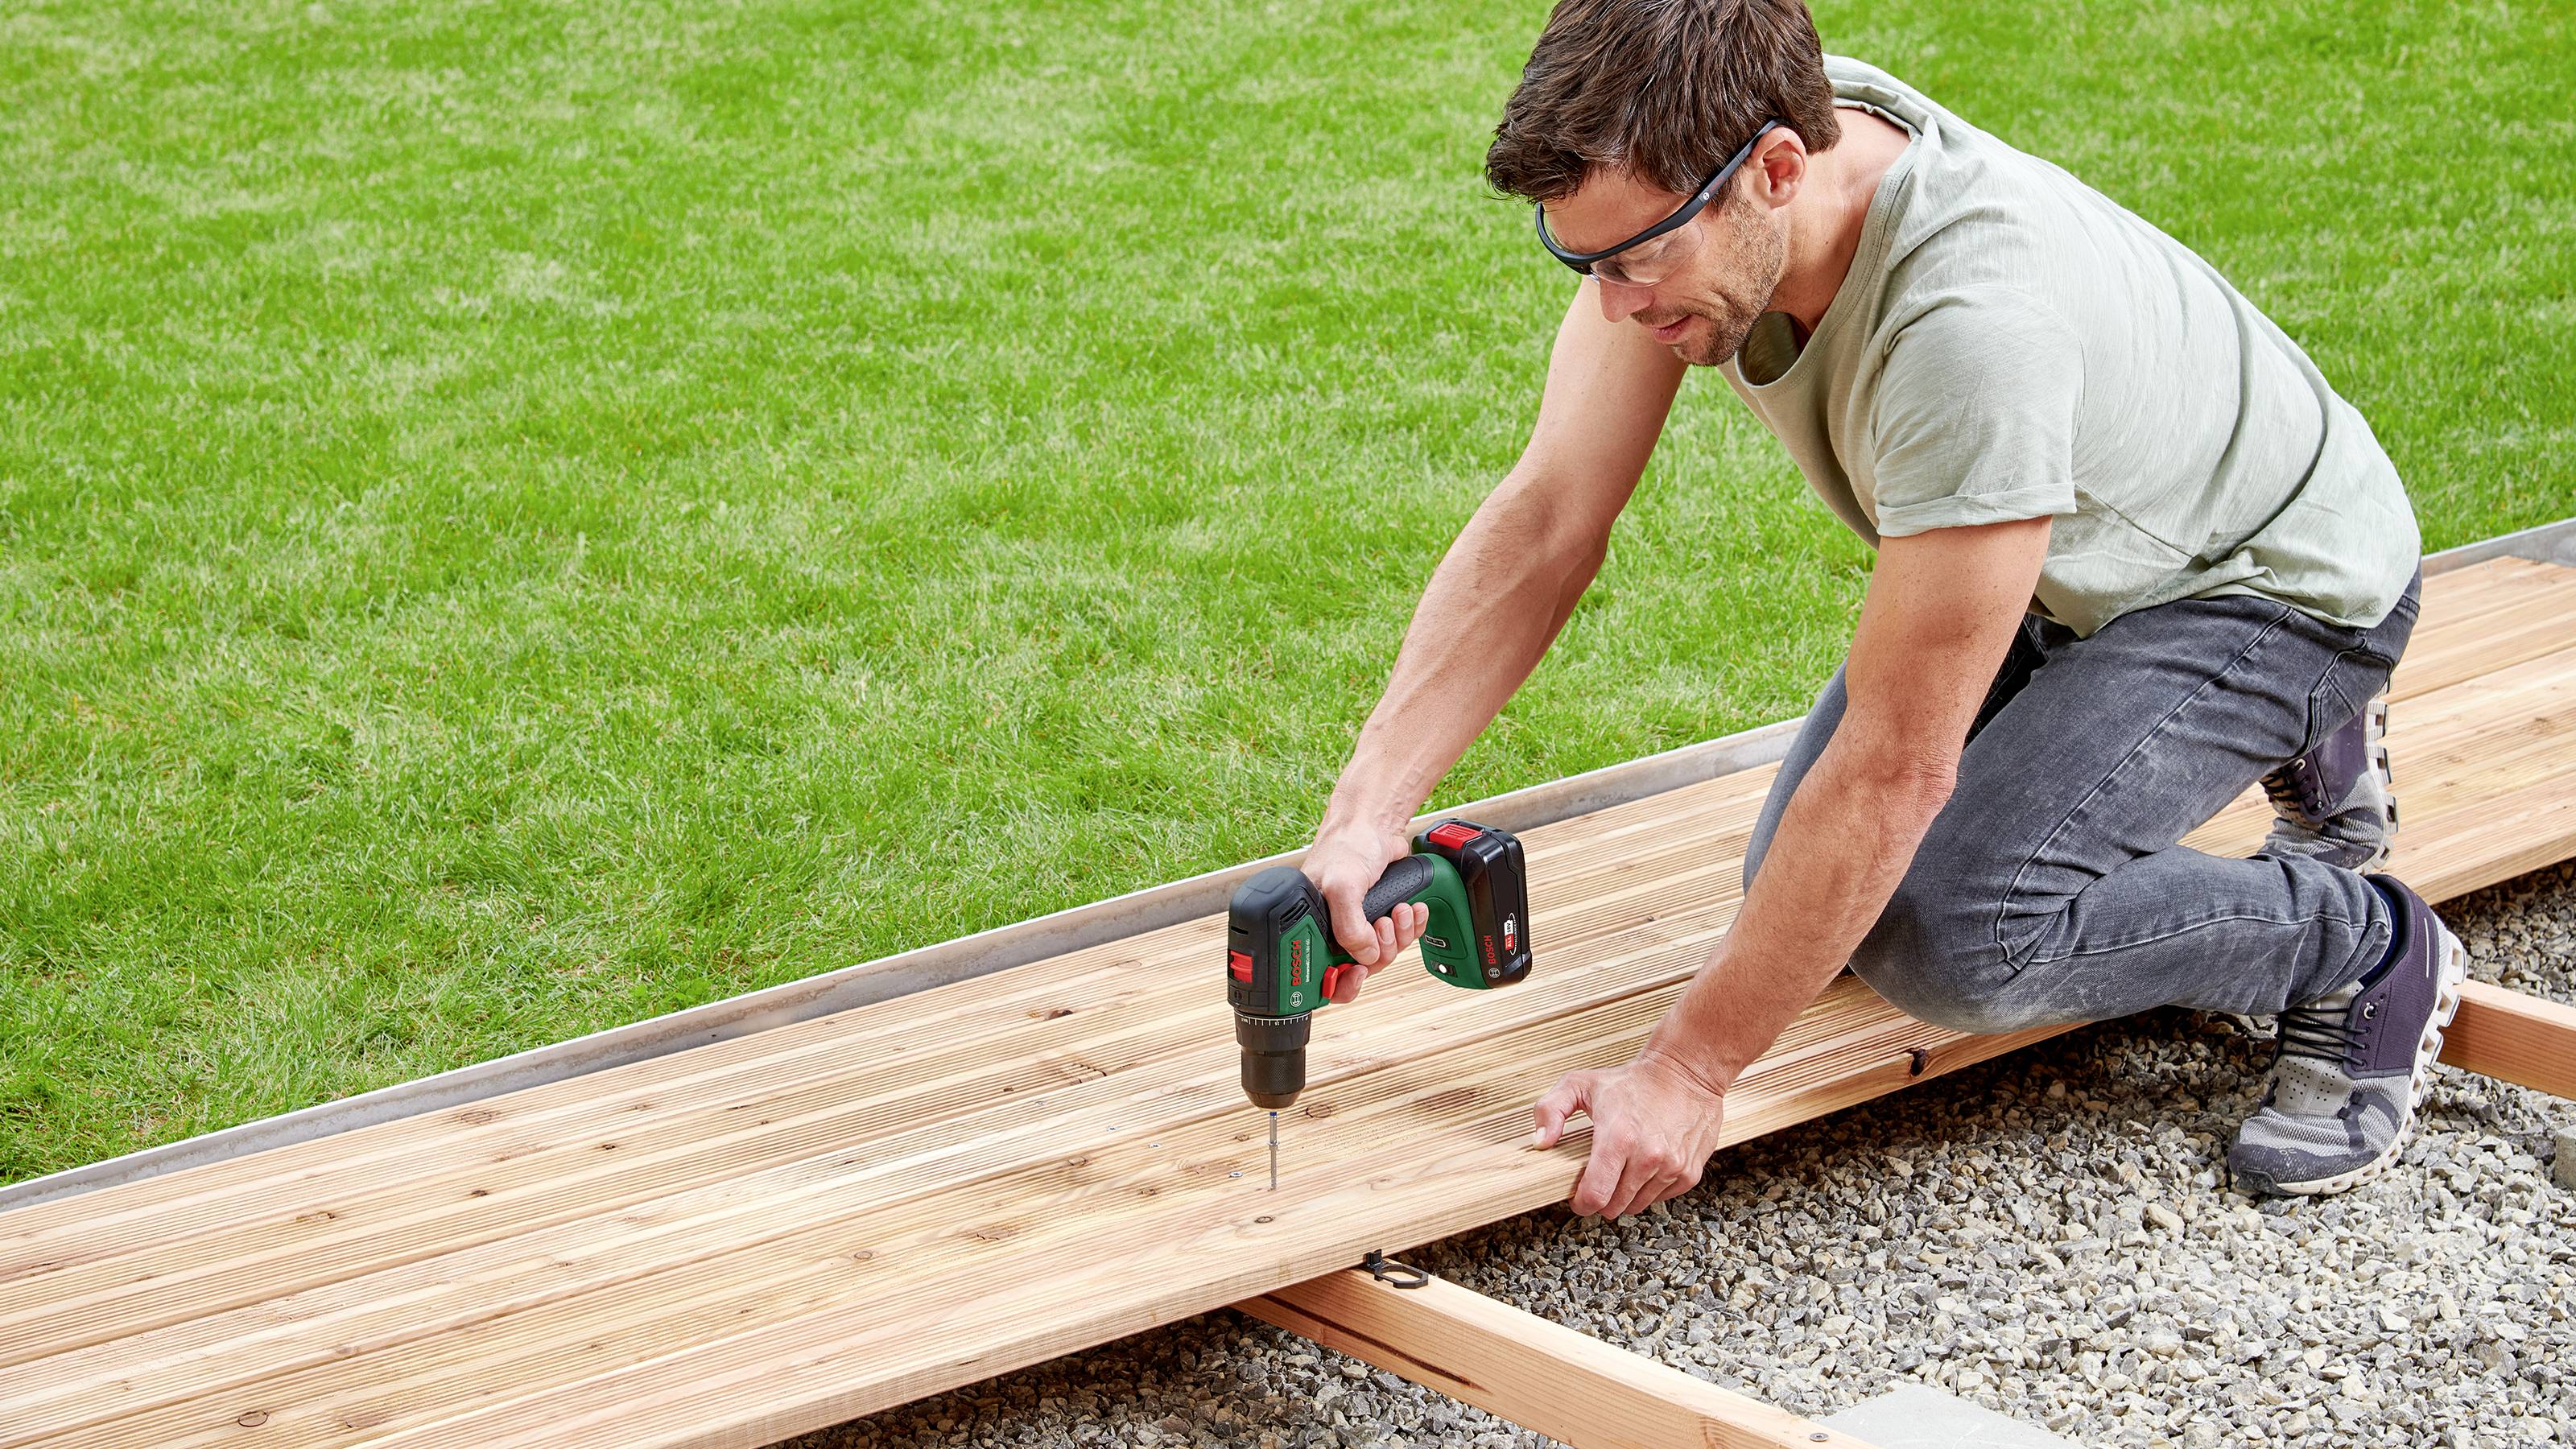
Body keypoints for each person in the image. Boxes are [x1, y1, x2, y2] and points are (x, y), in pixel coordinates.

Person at [1298, 0, 2460, 1217]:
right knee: (1811, 904)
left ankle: (2359, 943)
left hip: (2271, 584)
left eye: (1635, 259)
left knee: (1953, 937)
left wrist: (1689, 1071)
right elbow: (1549, 519)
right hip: (2068, 548)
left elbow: (1896, 767)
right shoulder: (1729, 144)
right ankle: (2281, 739)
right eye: (1583, 262)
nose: (1611, 308)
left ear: (1775, 171)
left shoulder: (1969, 328)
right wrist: (1368, 811)